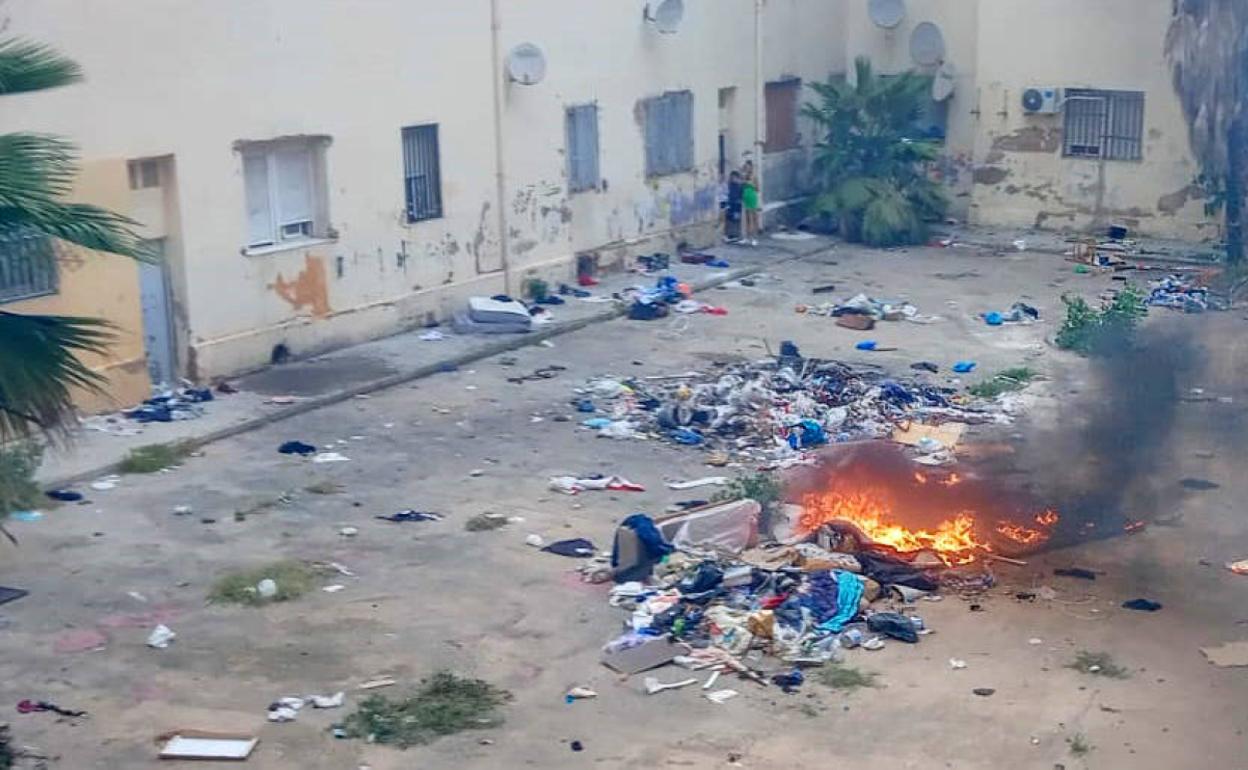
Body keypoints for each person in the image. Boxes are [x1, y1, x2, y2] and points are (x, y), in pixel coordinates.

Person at [741, 160, 760, 246]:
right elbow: (742, 186)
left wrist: (750, 184)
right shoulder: (744, 176)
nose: (747, 168)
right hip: (746, 197)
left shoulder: (754, 177)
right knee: (747, 218)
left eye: (748, 166)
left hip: (752, 196)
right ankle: (747, 237)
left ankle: (754, 237)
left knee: (754, 217)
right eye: (746, 166)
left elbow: (757, 189)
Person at [723, 170, 744, 243]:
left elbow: (741, 195)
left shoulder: (739, 186)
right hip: (730, 204)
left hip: (737, 205)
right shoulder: (729, 185)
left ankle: (736, 235)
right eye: (732, 177)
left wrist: (740, 201)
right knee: (729, 219)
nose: (733, 179)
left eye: (734, 177)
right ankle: (730, 235)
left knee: (736, 220)